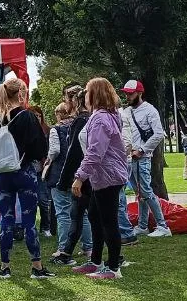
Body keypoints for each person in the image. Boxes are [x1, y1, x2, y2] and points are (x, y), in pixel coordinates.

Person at [0, 77, 54, 281]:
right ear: (20, 93)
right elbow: (40, 148)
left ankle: (5, 266)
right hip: (25, 173)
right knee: (29, 220)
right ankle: (36, 266)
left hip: (2, 175)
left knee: (6, 219)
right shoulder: (27, 117)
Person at [67, 78, 131, 280]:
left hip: (107, 176)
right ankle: (96, 261)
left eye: (86, 91)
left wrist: (79, 177)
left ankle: (113, 268)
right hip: (103, 176)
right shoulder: (105, 116)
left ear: (94, 94)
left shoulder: (101, 119)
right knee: (95, 215)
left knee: (108, 221)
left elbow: (96, 152)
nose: (84, 95)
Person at [120, 80, 171, 237]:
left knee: (146, 192)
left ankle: (163, 226)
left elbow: (158, 134)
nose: (127, 96)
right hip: (132, 157)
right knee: (140, 193)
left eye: (130, 93)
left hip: (142, 157)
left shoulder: (150, 110)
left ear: (139, 93)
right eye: (126, 93)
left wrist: (142, 150)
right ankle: (142, 226)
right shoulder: (126, 111)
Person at [45, 101, 92, 261]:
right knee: (81, 213)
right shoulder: (81, 125)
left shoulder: (55, 130)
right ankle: (88, 247)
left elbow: (55, 150)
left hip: (60, 174)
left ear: (59, 114)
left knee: (63, 212)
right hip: (77, 174)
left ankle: (63, 247)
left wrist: (48, 161)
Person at [29, 105, 56, 237]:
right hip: (29, 170)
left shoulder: (48, 131)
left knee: (43, 200)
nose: (37, 118)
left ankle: (45, 226)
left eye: (39, 115)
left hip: (42, 170)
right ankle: (30, 227)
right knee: (29, 201)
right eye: (34, 115)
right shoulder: (25, 132)